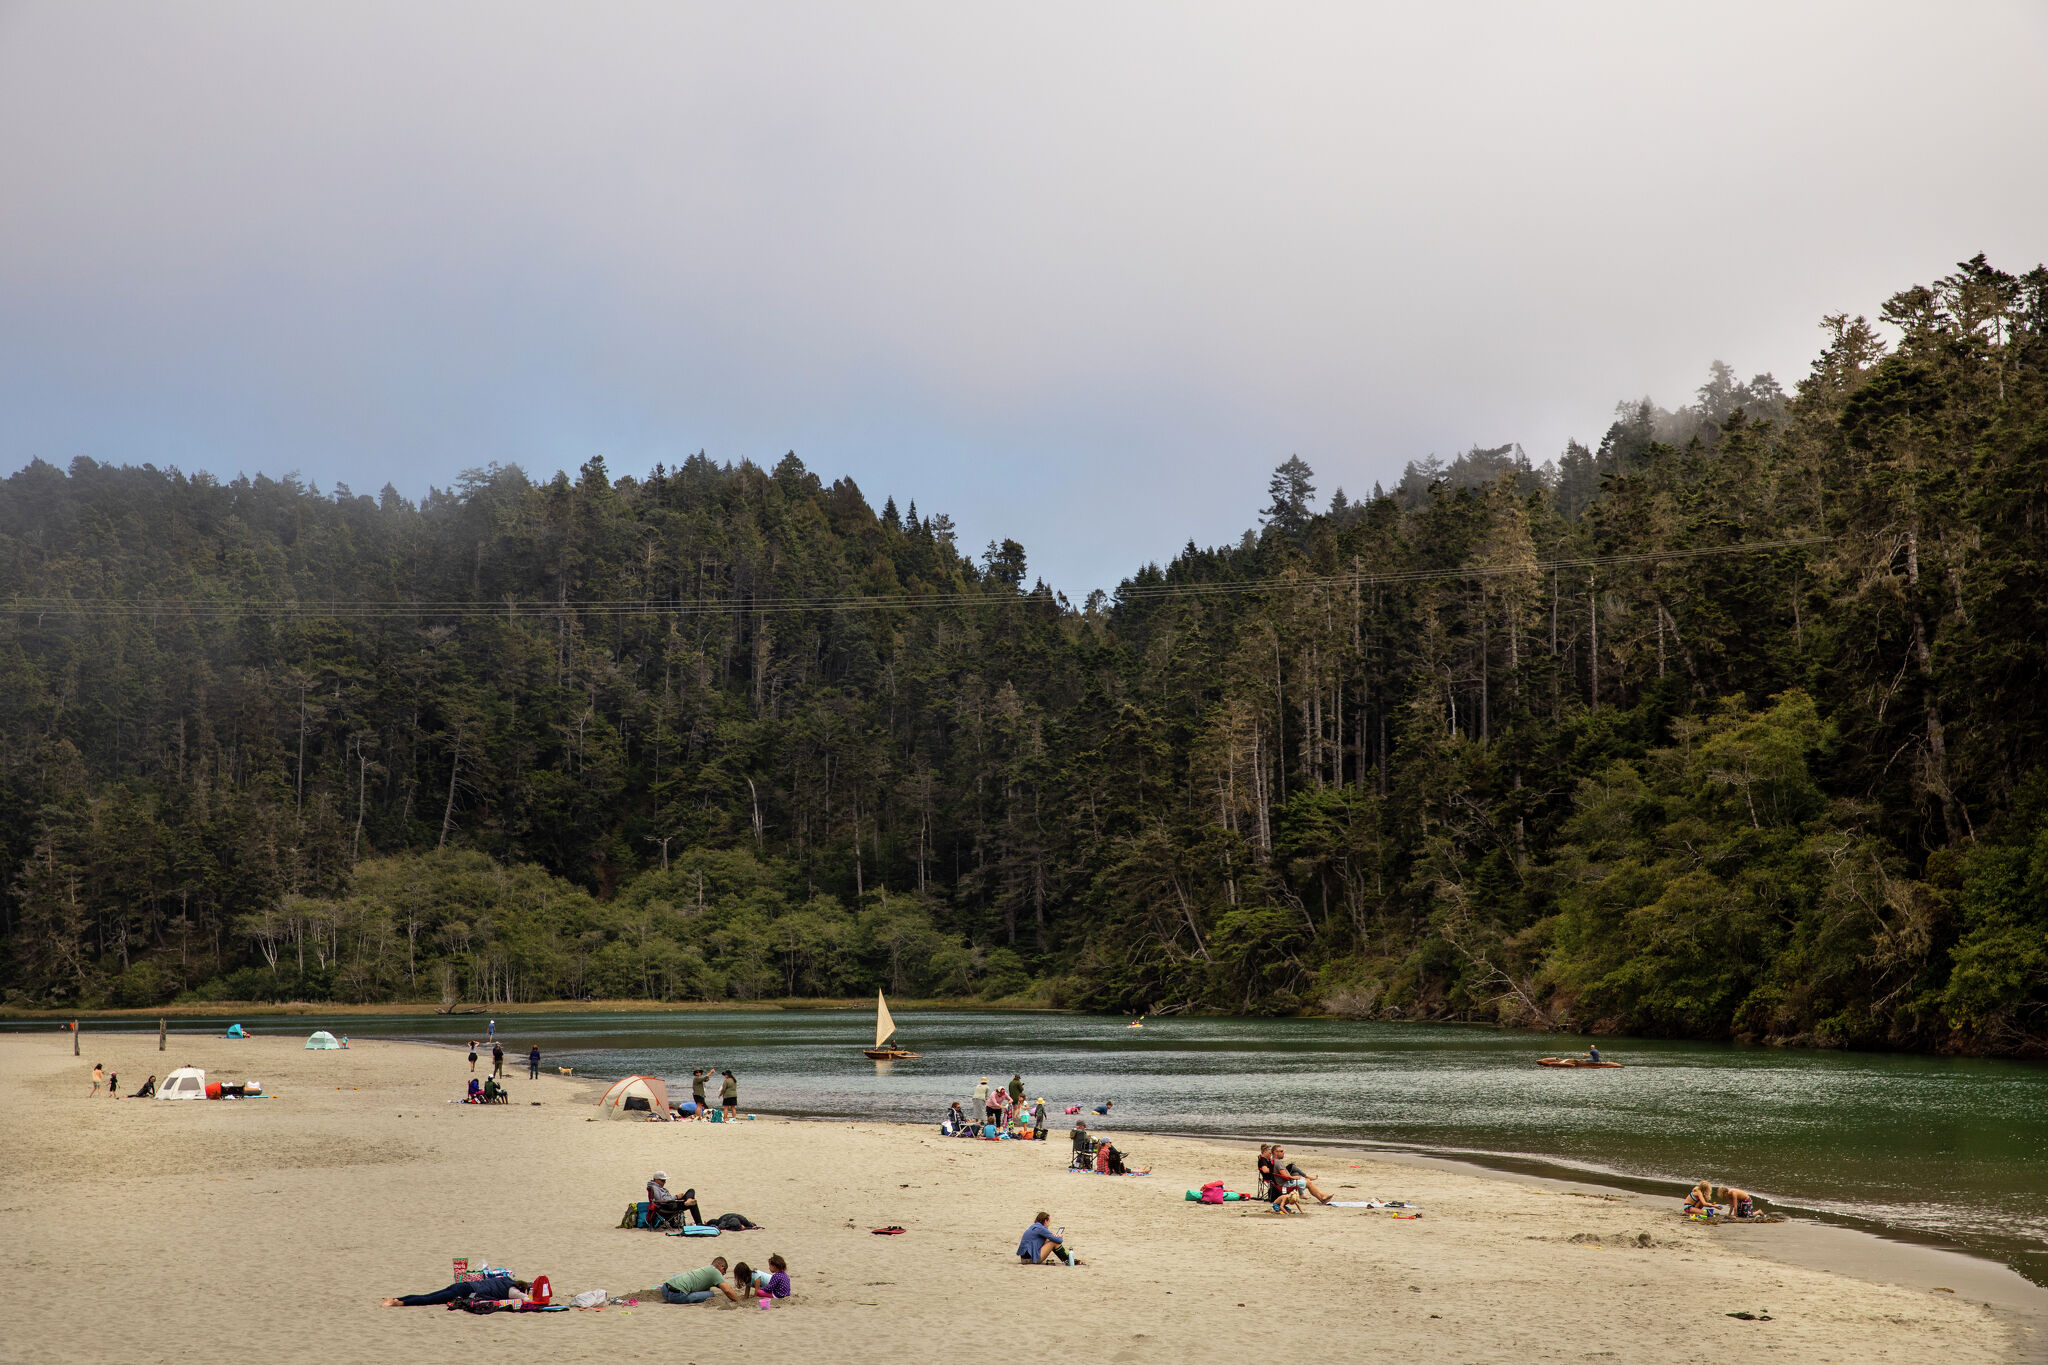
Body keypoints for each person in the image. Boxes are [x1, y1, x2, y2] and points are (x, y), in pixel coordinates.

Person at [383, 1272, 531, 1307]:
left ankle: (397, 1298)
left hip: (463, 1285)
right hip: (465, 1292)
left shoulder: (504, 1279)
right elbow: (525, 1299)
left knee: (428, 1295)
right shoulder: (512, 1290)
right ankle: (399, 1303)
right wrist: (529, 1296)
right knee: (429, 1300)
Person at [650, 1259, 739, 1304]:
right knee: (711, 1294)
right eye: (724, 1272)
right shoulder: (716, 1272)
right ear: (722, 1267)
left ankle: (661, 1286)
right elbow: (727, 1291)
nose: (723, 1275)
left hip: (665, 1289)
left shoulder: (706, 1269)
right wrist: (738, 1301)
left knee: (677, 1275)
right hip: (676, 1297)